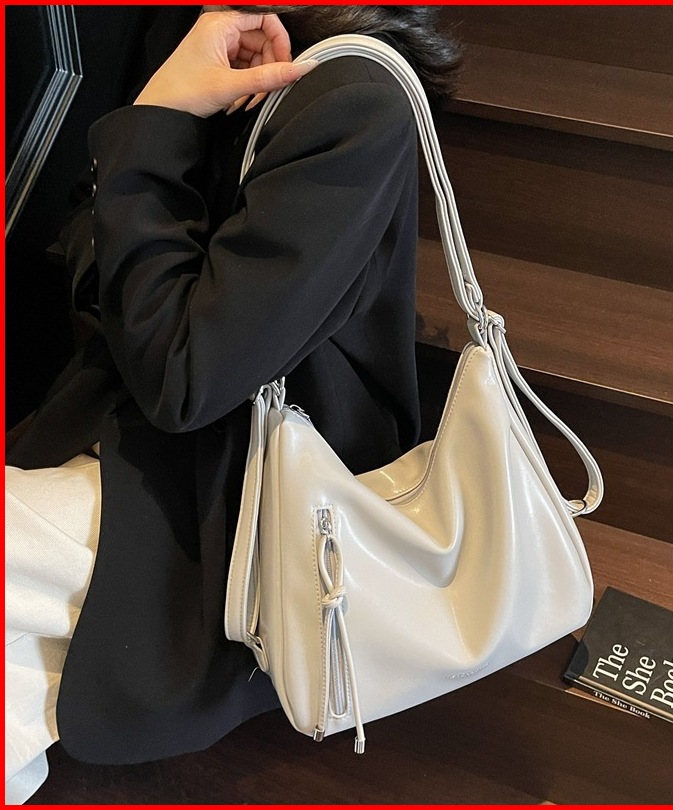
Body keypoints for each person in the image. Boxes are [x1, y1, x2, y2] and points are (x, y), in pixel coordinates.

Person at [5, 6, 461, 803]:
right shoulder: (207, 35)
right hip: (145, 427)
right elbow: (93, 257)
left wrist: (159, 119)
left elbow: (183, 374)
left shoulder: (359, 97)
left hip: (249, 496)